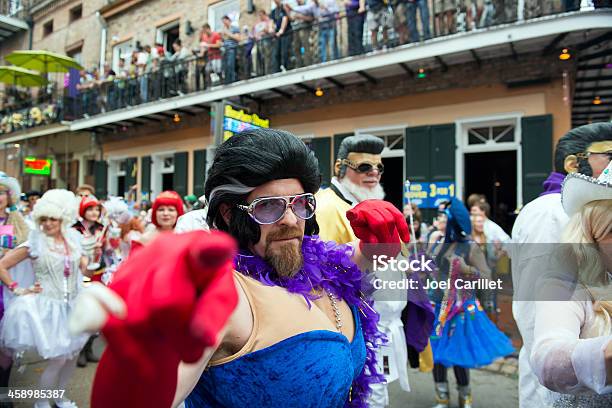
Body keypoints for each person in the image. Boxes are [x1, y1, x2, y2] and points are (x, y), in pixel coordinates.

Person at [69, 128, 418, 408]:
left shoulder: (323, 267)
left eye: (300, 204)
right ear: (229, 214)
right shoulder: (225, 293)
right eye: (268, 207)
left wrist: (379, 243)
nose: (289, 220)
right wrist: (143, 351)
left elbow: (363, 259)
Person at [316, 135, 433, 407]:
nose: (374, 174)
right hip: (354, 332)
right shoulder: (327, 208)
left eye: (379, 168)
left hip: (384, 330)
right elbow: (321, 277)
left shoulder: (373, 204)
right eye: (364, 167)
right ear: (340, 168)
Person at [511, 122, 612, 407]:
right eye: (609, 155)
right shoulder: (549, 212)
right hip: (563, 385)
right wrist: (556, 376)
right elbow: (538, 311)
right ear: (572, 164)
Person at [0, 189, 89, 408]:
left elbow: (83, 266)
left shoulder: (73, 241)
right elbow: (2, 264)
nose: (48, 224)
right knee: (58, 358)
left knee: (72, 357)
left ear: (63, 219)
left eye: (53, 219)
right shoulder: (34, 243)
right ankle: (41, 401)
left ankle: (60, 398)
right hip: (48, 307)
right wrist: (17, 288)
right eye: (44, 219)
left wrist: (86, 264)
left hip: (73, 305)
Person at [429, 198, 514, 408]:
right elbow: (429, 272)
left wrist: (466, 270)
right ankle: (442, 397)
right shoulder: (439, 244)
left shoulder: (470, 247)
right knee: (437, 355)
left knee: (459, 354)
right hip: (438, 308)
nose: (439, 221)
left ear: (452, 222)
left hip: (460, 311)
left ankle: (464, 397)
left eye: (443, 217)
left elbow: (486, 277)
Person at [0, 173, 30, 400]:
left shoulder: (18, 222)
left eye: (2, 192)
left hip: (7, 287)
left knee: (6, 343)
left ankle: (3, 391)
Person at [198, 24, 223, 88]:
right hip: (209, 57)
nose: (204, 33)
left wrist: (208, 45)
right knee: (207, 70)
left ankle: (221, 83)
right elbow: (204, 46)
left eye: (204, 31)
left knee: (218, 70)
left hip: (216, 56)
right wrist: (202, 51)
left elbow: (219, 45)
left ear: (207, 29)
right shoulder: (205, 37)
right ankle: (209, 86)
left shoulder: (215, 34)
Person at [271, 0, 292, 72]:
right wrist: (272, 30)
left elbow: (285, 19)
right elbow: (272, 22)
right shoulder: (274, 11)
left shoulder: (284, 8)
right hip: (277, 35)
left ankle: (286, 67)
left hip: (286, 33)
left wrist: (281, 31)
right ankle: (277, 69)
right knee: (277, 53)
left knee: (285, 51)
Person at [220, 16, 242, 84]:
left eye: (224, 21)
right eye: (223, 22)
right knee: (225, 66)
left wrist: (228, 33)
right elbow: (223, 41)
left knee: (230, 65)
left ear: (228, 20)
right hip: (225, 50)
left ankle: (232, 80)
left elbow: (238, 38)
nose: (224, 23)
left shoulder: (234, 28)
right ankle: (227, 81)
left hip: (232, 49)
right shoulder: (224, 30)